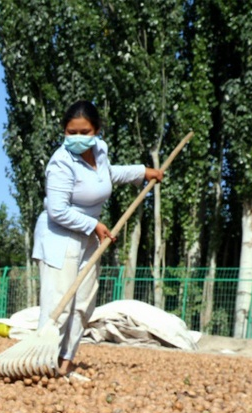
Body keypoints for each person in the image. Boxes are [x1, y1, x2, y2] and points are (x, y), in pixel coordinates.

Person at [31, 101, 163, 379]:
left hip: (90, 237)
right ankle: (42, 362)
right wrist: (93, 224)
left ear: (97, 131)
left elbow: (106, 176)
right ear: (64, 131)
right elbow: (57, 210)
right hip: (60, 236)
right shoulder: (60, 163)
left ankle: (64, 363)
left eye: (84, 131)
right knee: (59, 304)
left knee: (83, 304)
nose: (77, 138)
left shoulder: (100, 152)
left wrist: (142, 172)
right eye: (71, 132)